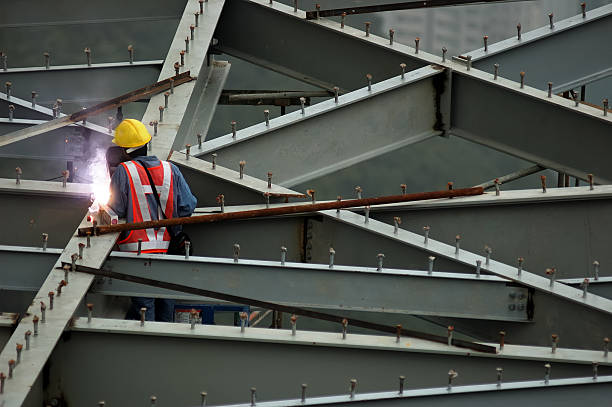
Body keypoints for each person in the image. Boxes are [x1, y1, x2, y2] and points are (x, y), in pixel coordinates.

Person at [106, 119, 197, 322]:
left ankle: (146, 347)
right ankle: (164, 346)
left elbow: (116, 209)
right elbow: (188, 206)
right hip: (168, 249)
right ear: (147, 144)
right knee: (166, 302)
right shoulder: (170, 169)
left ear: (124, 150)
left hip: (136, 253)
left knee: (144, 310)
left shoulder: (124, 170)